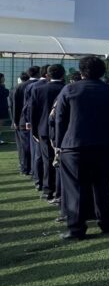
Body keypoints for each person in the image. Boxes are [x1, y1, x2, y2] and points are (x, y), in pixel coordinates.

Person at [55, 56, 109, 239]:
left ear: (81, 71)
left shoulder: (69, 89)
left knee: (75, 189)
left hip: (73, 146)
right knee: (102, 187)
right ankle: (106, 222)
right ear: (103, 72)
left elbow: (60, 119)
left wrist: (58, 144)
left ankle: (76, 228)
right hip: (103, 145)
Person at [29, 64, 66, 202]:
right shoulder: (66, 88)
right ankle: (61, 191)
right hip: (64, 131)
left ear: (47, 75)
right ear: (63, 75)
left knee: (47, 160)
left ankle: (48, 190)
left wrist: (34, 131)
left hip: (43, 130)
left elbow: (33, 112)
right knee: (63, 162)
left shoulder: (38, 89)